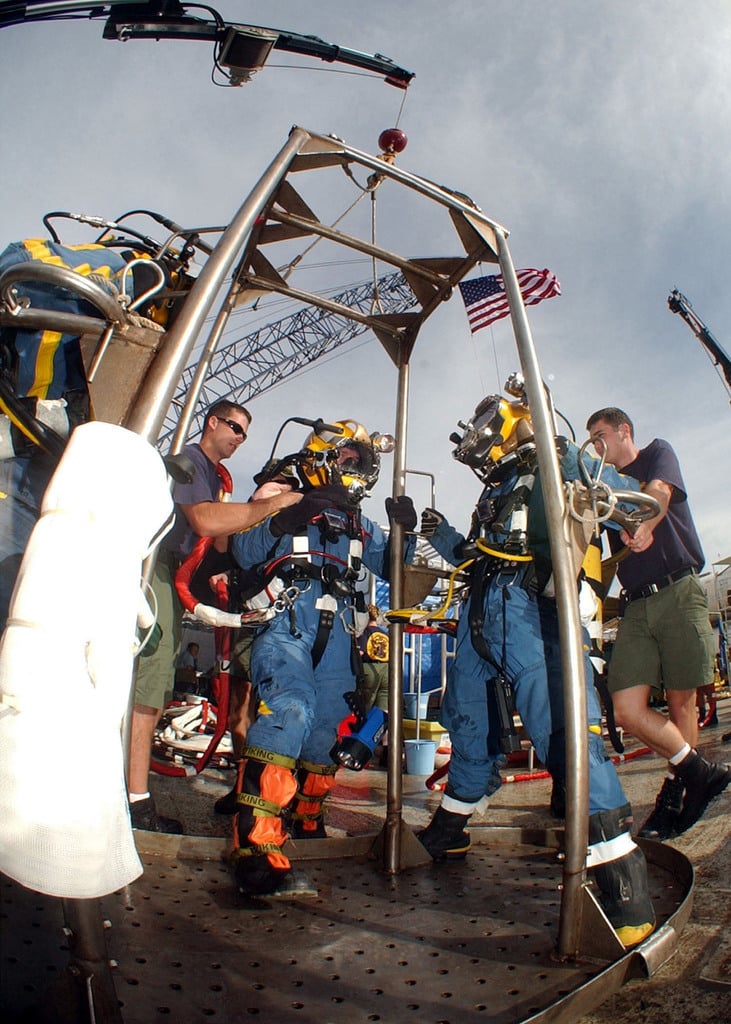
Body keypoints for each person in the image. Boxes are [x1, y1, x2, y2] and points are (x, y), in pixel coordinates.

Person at [416, 386, 656, 949]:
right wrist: (439, 533)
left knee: (563, 729)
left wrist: (571, 455)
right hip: (481, 613)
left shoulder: (558, 459)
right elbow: (477, 556)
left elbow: (625, 495)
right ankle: (451, 829)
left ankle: (622, 881)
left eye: (484, 419)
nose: (476, 430)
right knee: (465, 718)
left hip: (531, 612)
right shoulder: (499, 489)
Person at [226, 419, 416, 896]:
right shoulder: (284, 500)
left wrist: (403, 532)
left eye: (363, 463)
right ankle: (254, 846)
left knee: (325, 728)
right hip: (287, 625)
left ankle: (308, 821)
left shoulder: (360, 523)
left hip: (337, 640)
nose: (357, 470)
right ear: (322, 458)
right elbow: (244, 550)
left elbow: (396, 568)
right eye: (350, 459)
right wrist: (290, 516)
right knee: (289, 710)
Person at [128, 400, 302, 832]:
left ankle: (135, 793)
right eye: (235, 427)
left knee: (158, 682)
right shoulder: (191, 461)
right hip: (161, 570)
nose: (240, 438)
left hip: (192, 585)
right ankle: (133, 800)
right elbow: (205, 523)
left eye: (245, 433)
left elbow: (223, 544)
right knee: (149, 683)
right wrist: (272, 507)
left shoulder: (212, 477)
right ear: (211, 422)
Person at [585, 407, 729, 840]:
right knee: (627, 707)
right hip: (635, 605)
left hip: (678, 589)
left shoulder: (656, 454)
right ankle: (699, 773)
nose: (595, 447)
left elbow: (660, 492)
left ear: (624, 431)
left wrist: (645, 525)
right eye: (590, 440)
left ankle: (675, 794)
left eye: (600, 436)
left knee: (683, 702)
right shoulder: (603, 487)